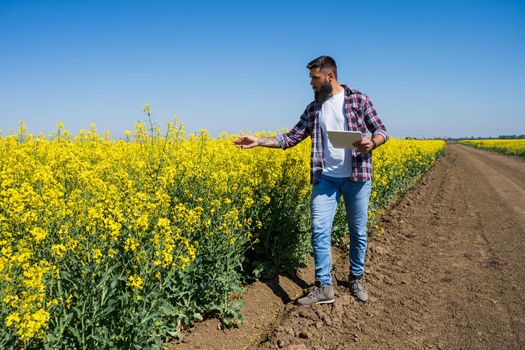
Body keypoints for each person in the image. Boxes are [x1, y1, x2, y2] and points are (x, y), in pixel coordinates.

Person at [234, 56, 388, 305]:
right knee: (319, 229)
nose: (311, 84)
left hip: (357, 177)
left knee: (357, 232)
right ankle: (324, 286)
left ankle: (356, 278)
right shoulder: (313, 108)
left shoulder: (359, 99)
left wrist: (372, 143)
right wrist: (259, 141)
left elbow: (381, 130)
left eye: (315, 79)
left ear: (330, 76)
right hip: (325, 178)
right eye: (310, 79)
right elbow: (291, 137)